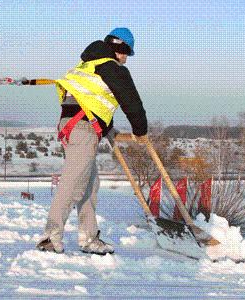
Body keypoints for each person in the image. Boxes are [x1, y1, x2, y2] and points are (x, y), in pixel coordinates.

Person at [36, 28, 148, 255]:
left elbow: (92, 102)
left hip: (72, 126)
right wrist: (141, 131)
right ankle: (50, 237)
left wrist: (108, 129)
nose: (126, 59)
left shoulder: (88, 65)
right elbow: (131, 102)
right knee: (72, 183)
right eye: (126, 53)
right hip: (83, 130)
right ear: (120, 48)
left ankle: (89, 238)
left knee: (89, 183)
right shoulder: (112, 68)